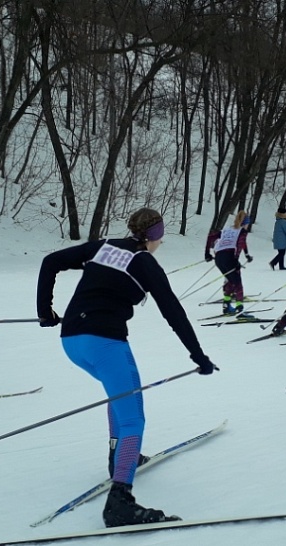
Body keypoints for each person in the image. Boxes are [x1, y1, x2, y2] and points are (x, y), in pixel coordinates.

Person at [36, 207, 217, 528]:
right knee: (134, 417)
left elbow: (50, 262)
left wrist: (45, 311)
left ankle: (119, 457)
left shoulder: (103, 246)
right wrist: (198, 356)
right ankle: (120, 500)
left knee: (119, 394)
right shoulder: (145, 262)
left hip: (73, 342)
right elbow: (173, 311)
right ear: (157, 236)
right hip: (105, 342)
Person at [204, 210, 253, 317]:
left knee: (229, 280)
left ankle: (226, 306)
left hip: (219, 258)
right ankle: (240, 310)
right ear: (246, 223)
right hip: (229, 257)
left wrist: (207, 253)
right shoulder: (242, 231)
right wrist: (235, 260)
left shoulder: (226, 230)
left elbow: (210, 237)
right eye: (248, 224)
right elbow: (240, 244)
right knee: (238, 283)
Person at [269, 207, 286, 271]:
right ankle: (273, 262)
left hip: (278, 239)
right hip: (282, 239)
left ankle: (281, 266)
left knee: (281, 252)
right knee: (282, 253)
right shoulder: (284, 222)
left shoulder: (278, 221)